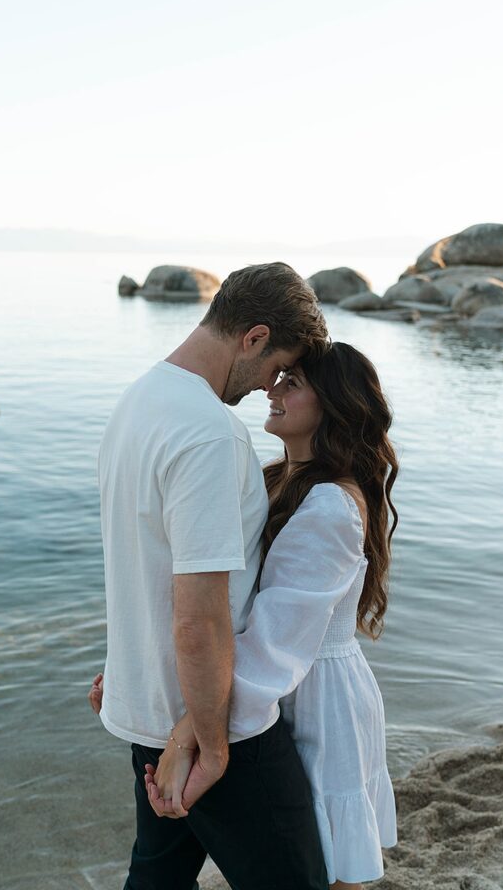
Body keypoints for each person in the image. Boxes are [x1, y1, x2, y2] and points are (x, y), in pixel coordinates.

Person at [93, 262, 331, 890]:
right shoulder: (209, 434)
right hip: (213, 716)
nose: (267, 388)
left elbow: (136, 557)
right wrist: (215, 746)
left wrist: (126, 667)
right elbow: (199, 616)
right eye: (275, 367)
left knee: (159, 875)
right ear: (252, 337)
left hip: (151, 708)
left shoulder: (138, 400)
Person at [134, 341, 400, 889]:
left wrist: (190, 732)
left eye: (292, 383)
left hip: (316, 696)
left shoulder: (329, 505)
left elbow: (275, 640)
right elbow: (224, 600)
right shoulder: (278, 478)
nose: (271, 389)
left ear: (333, 405)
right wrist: (137, 671)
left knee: (327, 863)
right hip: (278, 682)